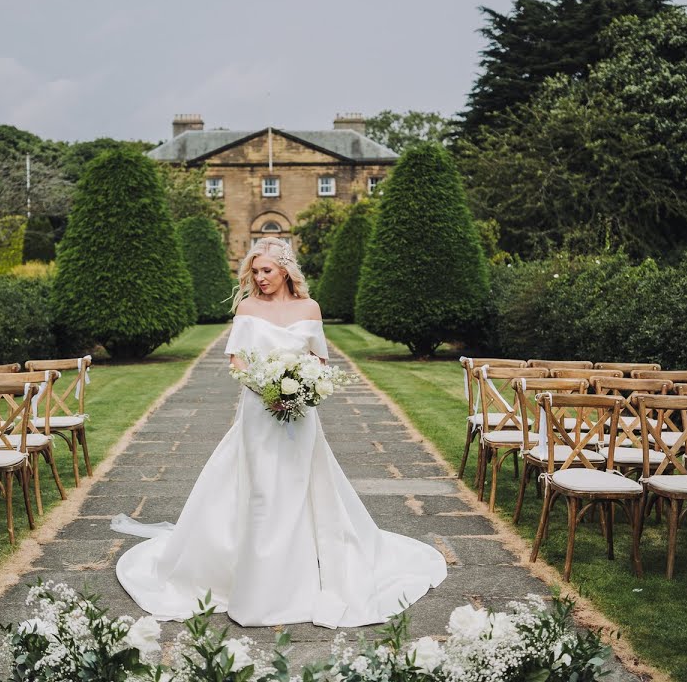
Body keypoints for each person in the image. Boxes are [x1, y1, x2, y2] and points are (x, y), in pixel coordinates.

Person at [113, 237, 446, 628]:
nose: (259, 278)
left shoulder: (310, 308)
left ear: (285, 270)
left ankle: (307, 565)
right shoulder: (249, 308)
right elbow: (237, 364)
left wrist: (304, 384)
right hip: (259, 410)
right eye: (254, 272)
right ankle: (256, 577)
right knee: (262, 488)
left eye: (266, 270)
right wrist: (267, 388)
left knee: (302, 482)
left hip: (301, 412)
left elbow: (320, 360)